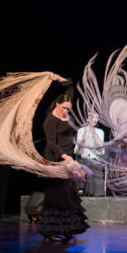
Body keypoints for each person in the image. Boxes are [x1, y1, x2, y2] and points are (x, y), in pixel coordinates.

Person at [38, 74, 90, 242]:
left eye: (68, 108)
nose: (66, 111)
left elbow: (70, 87)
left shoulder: (66, 108)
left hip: (68, 160)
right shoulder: (50, 121)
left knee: (69, 194)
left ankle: (68, 228)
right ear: (57, 104)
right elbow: (51, 143)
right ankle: (50, 231)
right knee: (56, 195)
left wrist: (58, 78)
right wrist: (64, 156)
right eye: (63, 108)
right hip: (55, 160)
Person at [74, 112, 106, 196]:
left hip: (95, 158)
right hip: (83, 157)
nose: (95, 120)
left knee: (95, 164)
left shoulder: (100, 132)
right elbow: (78, 151)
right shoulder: (81, 130)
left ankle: (94, 192)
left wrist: (94, 136)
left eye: (96, 118)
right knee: (83, 162)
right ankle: (81, 189)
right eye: (92, 118)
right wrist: (81, 142)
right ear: (88, 119)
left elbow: (101, 150)